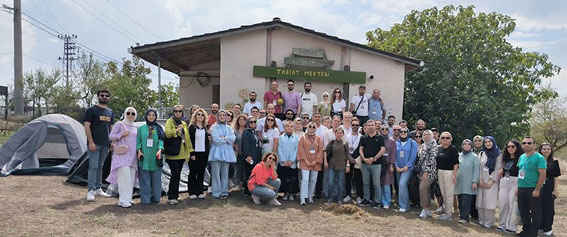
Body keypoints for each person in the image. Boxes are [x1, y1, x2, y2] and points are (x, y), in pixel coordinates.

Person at [84, 88, 114, 201]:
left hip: (106, 144)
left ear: (108, 98)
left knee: (100, 167)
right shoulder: (91, 110)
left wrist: (112, 142)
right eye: (102, 95)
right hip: (94, 144)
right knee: (93, 166)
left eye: (106, 96)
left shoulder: (110, 112)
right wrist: (91, 142)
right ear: (98, 96)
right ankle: (91, 190)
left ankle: (98, 188)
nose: (104, 97)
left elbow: (112, 128)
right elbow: (87, 126)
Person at [106, 107, 138, 208]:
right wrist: (121, 135)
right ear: (125, 113)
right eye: (128, 113)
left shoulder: (136, 127)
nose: (130, 115)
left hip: (133, 157)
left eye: (133, 114)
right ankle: (124, 200)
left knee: (131, 178)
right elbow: (111, 136)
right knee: (124, 178)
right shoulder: (120, 124)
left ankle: (126, 199)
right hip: (122, 156)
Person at [517, 136, 546, 237]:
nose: (526, 145)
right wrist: (518, 187)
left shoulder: (539, 158)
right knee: (523, 210)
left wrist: (537, 189)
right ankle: (526, 230)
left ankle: (533, 233)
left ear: (534, 145)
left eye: (529, 143)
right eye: (524, 143)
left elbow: (542, 174)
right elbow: (520, 172)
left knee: (535, 211)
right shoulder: (521, 157)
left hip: (533, 188)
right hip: (521, 188)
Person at [164, 105, 194, 205]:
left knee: (178, 175)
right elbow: (167, 133)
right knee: (175, 174)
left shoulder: (184, 123)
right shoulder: (169, 121)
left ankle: (175, 195)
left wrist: (190, 151)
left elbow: (187, 138)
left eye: (179, 111)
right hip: (173, 154)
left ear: (182, 113)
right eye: (175, 111)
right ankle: (171, 197)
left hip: (182, 154)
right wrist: (176, 130)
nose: (177, 113)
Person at [136, 109, 164, 205]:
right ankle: (145, 199)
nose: (151, 117)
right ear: (146, 116)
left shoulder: (159, 128)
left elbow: (161, 141)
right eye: (149, 115)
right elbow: (138, 141)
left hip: (156, 157)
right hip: (144, 157)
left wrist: (160, 149)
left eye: (153, 115)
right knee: (145, 180)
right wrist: (139, 151)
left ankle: (156, 198)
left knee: (156, 180)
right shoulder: (141, 128)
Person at [209, 110, 237, 200]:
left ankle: (224, 192)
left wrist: (223, 138)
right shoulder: (214, 127)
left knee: (225, 173)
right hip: (216, 153)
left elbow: (232, 139)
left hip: (227, 153)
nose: (222, 117)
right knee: (216, 173)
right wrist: (226, 139)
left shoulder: (229, 128)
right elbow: (216, 139)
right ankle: (216, 192)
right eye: (220, 115)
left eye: (223, 115)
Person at [497, 140, 523, 232]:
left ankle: (511, 226)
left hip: (515, 181)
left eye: (513, 146)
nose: (510, 148)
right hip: (504, 181)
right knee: (503, 203)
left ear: (517, 148)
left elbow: (522, 172)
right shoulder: (505, 158)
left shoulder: (521, 158)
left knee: (512, 204)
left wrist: (519, 186)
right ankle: (502, 224)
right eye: (508, 147)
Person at [358, 120, 386, 208]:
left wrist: (374, 159)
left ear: (375, 126)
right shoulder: (363, 137)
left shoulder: (380, 137)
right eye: (368, 125)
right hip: (365, 163)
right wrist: (364, 159)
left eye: (372, 125)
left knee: (376, 183)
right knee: (365, 183)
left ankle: (377, 201)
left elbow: (382, 150)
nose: (370, 126)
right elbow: (360, 149)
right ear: (366, 127)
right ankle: (366, 199)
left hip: (376, 164)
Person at [476, 136, 502, 228]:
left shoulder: (498, 153)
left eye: (489, 142)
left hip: (492, 181)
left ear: (493, 142)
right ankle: (481, 219)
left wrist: (492, 180)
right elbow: (478, 167)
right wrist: (479, 179)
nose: (488, 143)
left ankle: (489, 221)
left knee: (489, 201)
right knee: (480, 200)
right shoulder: (482, 153)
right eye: (486, 142)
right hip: (482, 179)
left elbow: (498, 168)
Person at [297, 121, 324, 205]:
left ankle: (310, 196)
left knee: (313, 180)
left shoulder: (319, 138)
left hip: (315, 162)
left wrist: (316, 161)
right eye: (310, 126)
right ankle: (303, 198)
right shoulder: (303, 138)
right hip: (305, 161)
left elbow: (320, 150)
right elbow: (301, 149)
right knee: (305, 180)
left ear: (316, 129)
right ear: (307, 128)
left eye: (313, 127)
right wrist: (305, 160)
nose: (311, 128)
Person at [324, 127, 351, 204]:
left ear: (342, 134)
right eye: (337, 133)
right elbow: (325, 151)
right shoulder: (332, 142)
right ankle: (330, 198)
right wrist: (325, 162)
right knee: (330, 182)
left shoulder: (345, 144)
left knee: (340, 183)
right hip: (332, 165)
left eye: (340, 133)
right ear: (335, 134)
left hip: (341, 165)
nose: (339, 134)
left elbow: (347, 155)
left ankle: (339, 199)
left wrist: (348, 165)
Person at [436, 132, 459, 221]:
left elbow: (456, 163)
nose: (445, 139)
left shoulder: (453, 149)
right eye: (443, 138)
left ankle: (449, 214)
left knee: (449, 194)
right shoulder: (439, 148)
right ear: (440, 139)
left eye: (447, 138)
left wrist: (454, 175)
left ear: (451, 139)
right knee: (443, 193)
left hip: (449, 172)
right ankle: (446, 212)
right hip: (440, 172)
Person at [455, 139, 480, 223]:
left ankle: (465, 218)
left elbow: (476, 170)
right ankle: (462, 215)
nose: (466, 146)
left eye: (468, 144)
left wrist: (474, 181)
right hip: (459, 182)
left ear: (471, 146)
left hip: (469, 182)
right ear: (462, 146)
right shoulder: (459, 155)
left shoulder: (474, 157)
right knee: (460, 198)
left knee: (466, 200)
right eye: (464, 144)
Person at [539, 143, 561, 236]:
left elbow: (556, 177)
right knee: (538, 208)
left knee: (549, 209)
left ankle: (547, 229)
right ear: (540, 150)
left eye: (548, 149)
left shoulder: (554, 162)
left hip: (549, 187)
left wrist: (555, 189)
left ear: (551, 151)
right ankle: (539, 227)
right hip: (538, 187)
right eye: (544, 149)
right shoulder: (536, 160)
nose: (546, 151)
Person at [188, 108, 210, 199]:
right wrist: (191, 153)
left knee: (201, 173)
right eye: (199, 114)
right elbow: (189, 141)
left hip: (203, 153)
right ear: (195, 116)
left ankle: (200, 191)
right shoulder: (192, 127)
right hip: (194, 153)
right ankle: (192, 192)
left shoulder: (205, 128)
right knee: (193, 172)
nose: (200, 116)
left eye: (202, 115)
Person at [395, 127, 418, 212]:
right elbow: (394, 156)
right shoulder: (396, 143)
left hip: (408, 168)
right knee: (400, 186)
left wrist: (407, 166)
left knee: (402, 184)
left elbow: (413, 156)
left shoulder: (412, 142)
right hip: (398, 168)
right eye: (401, 131)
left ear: (408, 133)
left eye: (405, 131)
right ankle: (405, 204)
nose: (403, 133)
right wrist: (396, 166)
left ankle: (403, 206)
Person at [417, 130, 438, 219]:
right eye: (424, 134)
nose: (426, 136)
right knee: (426, 190)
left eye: (428, 134)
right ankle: (428, 209)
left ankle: (424, 209)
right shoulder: (423, 145)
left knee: (422, 188)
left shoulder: (434, 145)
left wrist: (426, 171)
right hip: (422, 171)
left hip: (430, 171)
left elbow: (432, 160)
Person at [277, 121, 299, 201]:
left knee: (292, 179)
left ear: (293, 128)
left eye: (291, 126)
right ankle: (285, 193)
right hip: (284, 163)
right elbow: (279, 149)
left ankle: (291, 193)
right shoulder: (281, 137)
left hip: (292, 163)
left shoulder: (296, 138)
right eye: (287, 126)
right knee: (284, 179)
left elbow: (297, 149)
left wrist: (292, 160)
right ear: (284, 128)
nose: (289, 128)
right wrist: (283, 160)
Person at [241, 116, 262, 196]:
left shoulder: (255, 132)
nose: (253, 123)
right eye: (251, 122)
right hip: (249, 156)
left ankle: (252, 189)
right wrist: (248, 155)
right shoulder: (246, 132)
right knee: (248, 173)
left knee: (253, 173)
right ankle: (247, 190)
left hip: (256, 155)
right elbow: (245, 144)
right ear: (247, 123)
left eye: (254, 122)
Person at [378, 124, 397, 209]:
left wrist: (392, 165)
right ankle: (381, 201)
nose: (384, 130)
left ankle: (387, 201)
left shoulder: (392, 141)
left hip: (388, 164)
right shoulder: (378, 139)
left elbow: (393, 154)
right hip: (379, 163)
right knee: (379, 183)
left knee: (386, 184)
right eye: (383, 129)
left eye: (386, 129)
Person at [232, 114, 248, 191]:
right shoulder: (235, 131)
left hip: (246, 153)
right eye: (240, 120)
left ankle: (245, 184)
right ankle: (236, 184)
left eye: (244, 120)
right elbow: (232, 141)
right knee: (237, 168)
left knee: (245, 169)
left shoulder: (248, 130)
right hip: (237, 153)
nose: (242, 121)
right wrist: (234, 146)